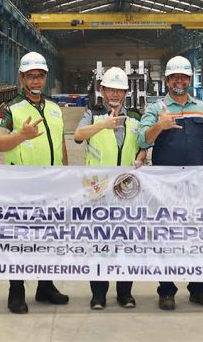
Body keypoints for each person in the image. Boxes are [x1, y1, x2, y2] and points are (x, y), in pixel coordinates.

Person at [137, 56, 203, 311]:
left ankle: (199, 289)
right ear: (167, 80)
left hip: (197, 184)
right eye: (175, 77)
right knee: (166, 237)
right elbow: (142, 140)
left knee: (198, 235)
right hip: (165, 186)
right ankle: (166, 290)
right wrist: (159, 126)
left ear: (189, 79)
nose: (179, 81)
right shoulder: (156, 108)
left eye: (184, 77)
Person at [0, 52, 70, 313]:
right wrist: (21, 136)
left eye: (40, 76)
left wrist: (65, 174)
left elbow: (60, 144)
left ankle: (45, 286)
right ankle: (16, 291)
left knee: (48, 238)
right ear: (22, 78)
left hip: (52, 185)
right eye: (30, 76)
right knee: (20, 240)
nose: (36, 80)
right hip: (21, 186)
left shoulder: (54, 108)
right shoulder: (8, 108)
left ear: (45, 77)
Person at [73, 66, 146, 310]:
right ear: (102, 90)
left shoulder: (135, 117)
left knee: (126, 243)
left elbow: (144, 142)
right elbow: (78, 135)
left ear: (126, 92)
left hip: (127, 190)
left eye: (119, 90)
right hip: (97, 190)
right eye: (110, 89)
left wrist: (142, 155)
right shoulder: (92, 114)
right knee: (99, 245)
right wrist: (103, 125)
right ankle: (99, 294)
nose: (115, 94)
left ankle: (125, 293)